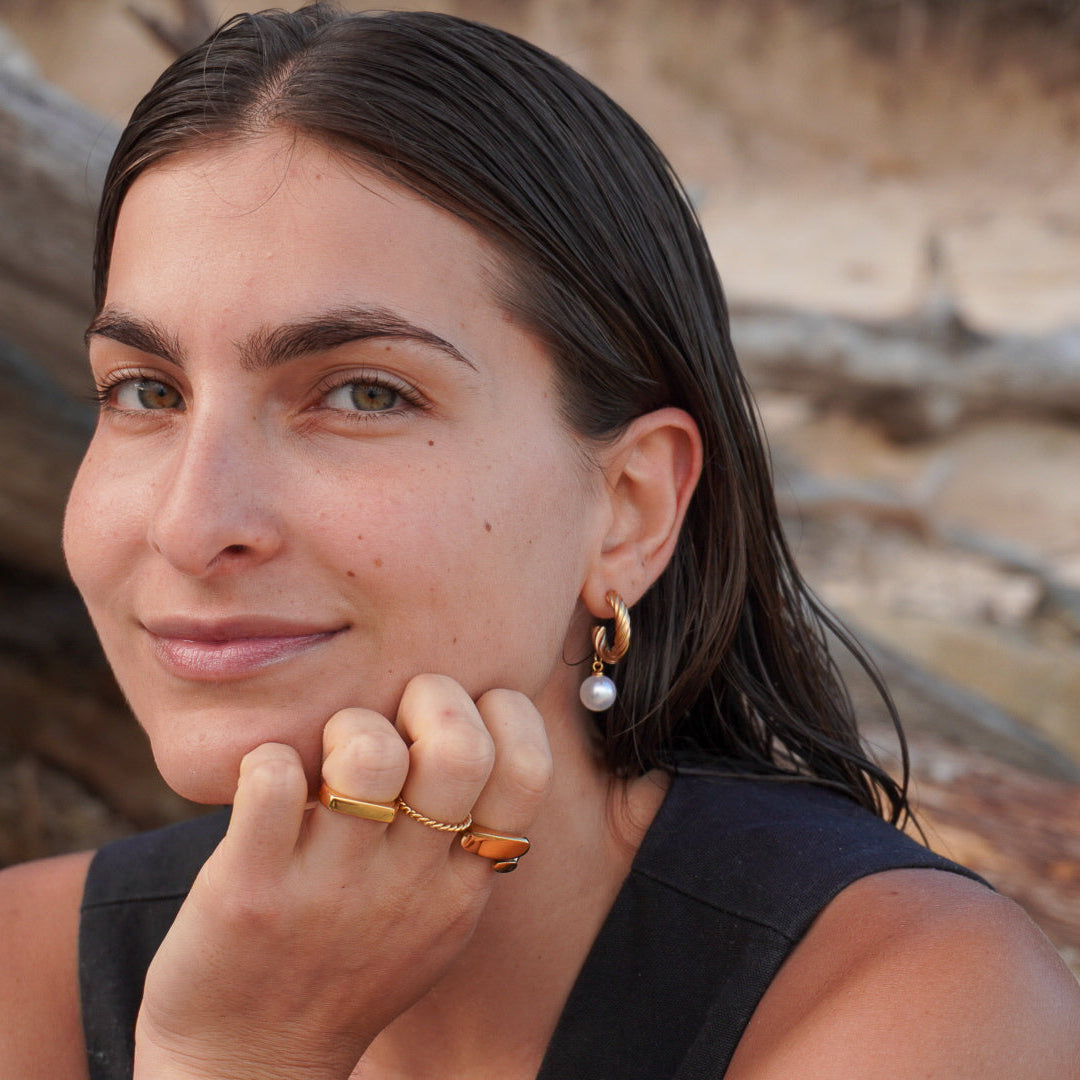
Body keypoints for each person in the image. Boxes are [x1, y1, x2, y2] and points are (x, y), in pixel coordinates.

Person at [1, 4, 1078, 1078]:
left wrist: (241, 1054)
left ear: (631, 508)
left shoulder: (913, 1006)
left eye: (365, 393)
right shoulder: (24, 970)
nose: (192, 524)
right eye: (146, 391)